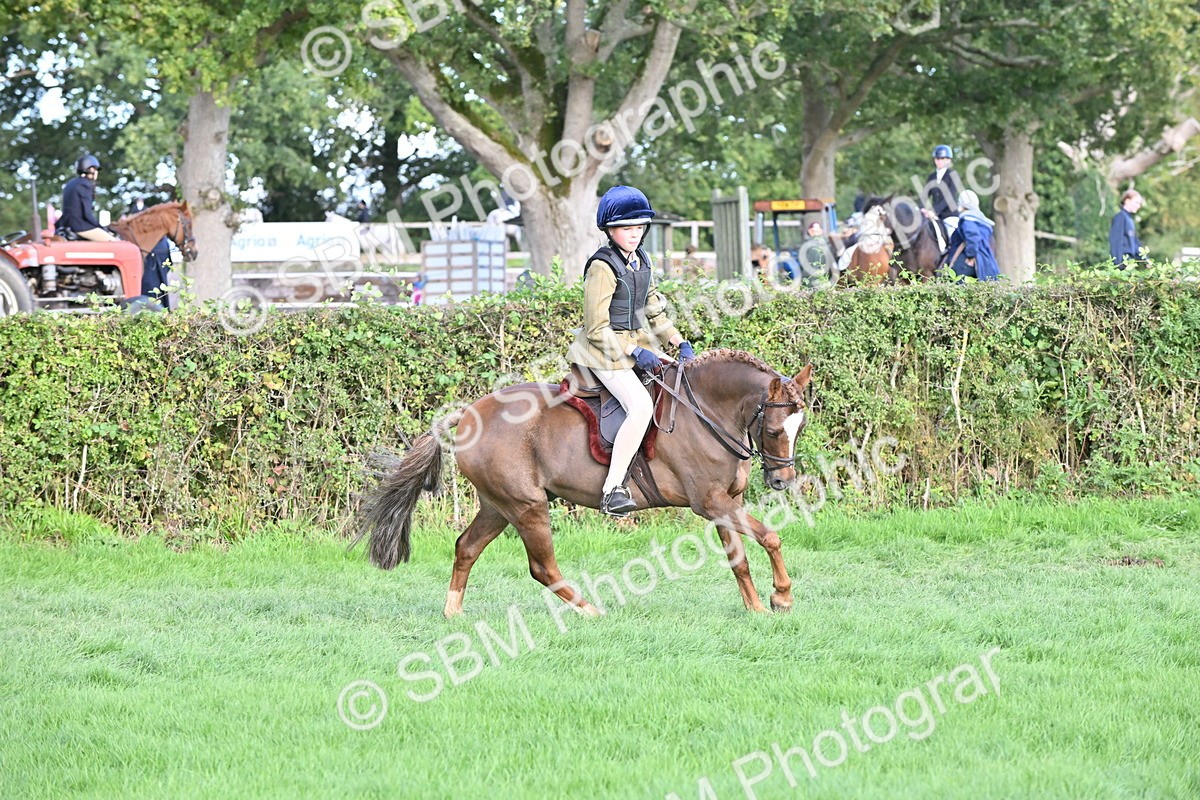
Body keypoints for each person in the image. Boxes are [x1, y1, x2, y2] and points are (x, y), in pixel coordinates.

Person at [567, 185, 696, 517]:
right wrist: (635, 352)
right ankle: (612, 490)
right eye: (627, 227)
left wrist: (679, 342)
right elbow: (596, 327)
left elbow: (655, 312)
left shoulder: (643, 261)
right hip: (601, 350)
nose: (634, 234)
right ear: (611, 230)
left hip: (635, 343)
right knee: (639, 406)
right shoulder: (602, 267)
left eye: (639, 227)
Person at [58, 154, 118, 242]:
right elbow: (87, 214)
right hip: (80, 226)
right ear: (91, 169)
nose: (97, 172)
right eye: (96, 169)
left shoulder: (70, 183)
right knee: (113, 242)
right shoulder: (85, 185)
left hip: (66, 225)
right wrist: (101, 227)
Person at [945, 190, 1000, 281]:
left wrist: (970, 256)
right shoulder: (982, 221)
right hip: (987, 263)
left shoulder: (968, 219)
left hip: (969, 262)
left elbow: (973, 236)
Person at [921, 144, 964, 247]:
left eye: (942, 158)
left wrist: (934, 211)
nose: (939, 161)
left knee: (950, 238)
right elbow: (924, 195)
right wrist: (921, 209)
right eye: (937, 158)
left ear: (948, 160)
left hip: (949, 216)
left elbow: (949, 198)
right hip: (934, 217)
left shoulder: (953, 175)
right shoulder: (932, 177)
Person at [1108, 189, 1145, 268]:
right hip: (1122, 264)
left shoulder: (1130, 220)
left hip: (1130, 263)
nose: (1138, 206)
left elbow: (1135, 244)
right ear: (1127, 201)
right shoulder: (1120, 217)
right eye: (1136, 203)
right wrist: (1118, 265)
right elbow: (1116, 242)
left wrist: (1146, 260)